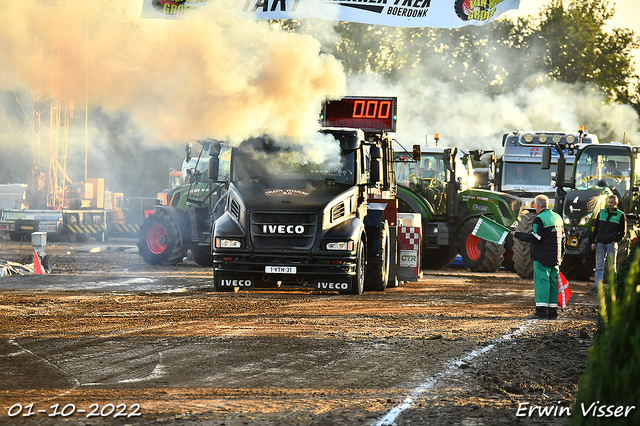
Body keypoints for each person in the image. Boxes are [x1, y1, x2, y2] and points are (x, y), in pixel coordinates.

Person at [511, 194, 565, 319]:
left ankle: (541, 312)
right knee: (553, 282)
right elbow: (563, 239)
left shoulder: (539, 219)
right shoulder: (558, 217)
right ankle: (553, 312)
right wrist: (561, 255)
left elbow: (536, 237)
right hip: (556, 257)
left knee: (542, 283)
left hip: (542, 257)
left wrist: (517, 235)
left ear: (537, 206)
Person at [587, 195, 627, 295]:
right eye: (608, 202)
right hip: (600, 243)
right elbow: (596, 229)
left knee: (611, 266)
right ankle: (597, 287)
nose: (609, 204)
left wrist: (616, 240)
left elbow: (623, 231)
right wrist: (594, 242)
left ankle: (613, 288)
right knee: (599, 266)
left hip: (611, 244)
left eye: (611, 203)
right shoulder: (601, 213)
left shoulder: (620, 215)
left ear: (616, 204)